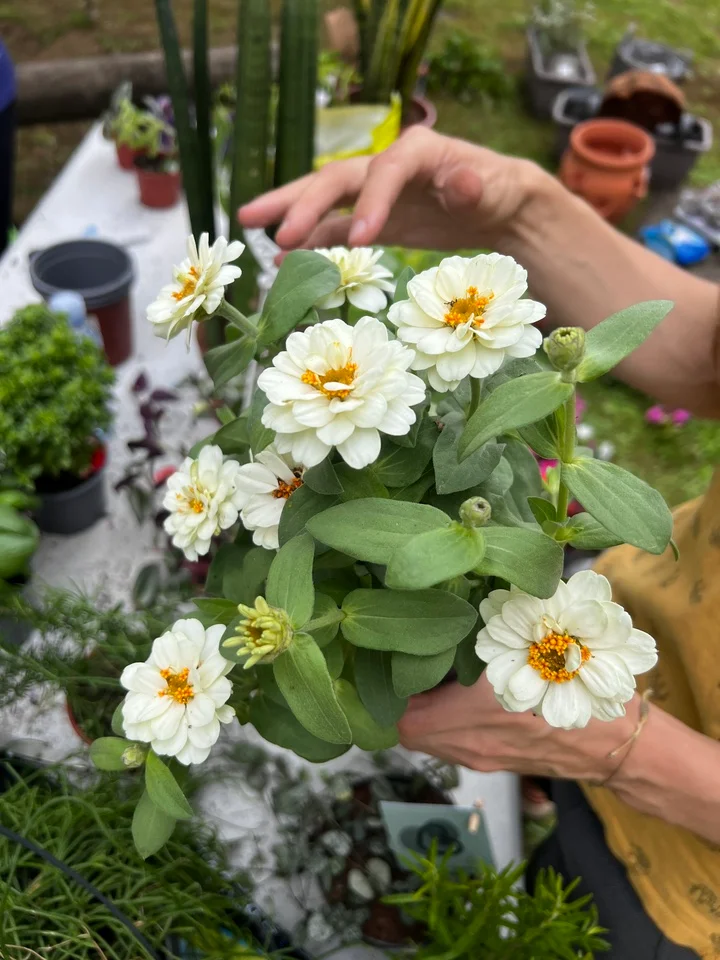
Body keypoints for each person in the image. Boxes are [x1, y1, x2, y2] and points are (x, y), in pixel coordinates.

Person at [239, 127, 720, 960]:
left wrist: (628, 753)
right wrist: (521, 215)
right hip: (617, 635)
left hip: (687, 888)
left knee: (577, 927)